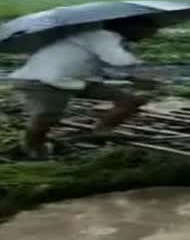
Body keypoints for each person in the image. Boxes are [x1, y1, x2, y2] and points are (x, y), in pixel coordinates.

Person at [9, 17, 158, 158]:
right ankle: (32, 148)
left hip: (74, 80)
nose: (152, 34)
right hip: (42, 80)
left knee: (129, 100)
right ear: (131, 27)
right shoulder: (102, 36)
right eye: (149, 30)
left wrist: (131, 78)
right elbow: (119, 60)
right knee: (46, 117)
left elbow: (100, 67)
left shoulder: (107, 39)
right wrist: (147, 70)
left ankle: (102, 130)